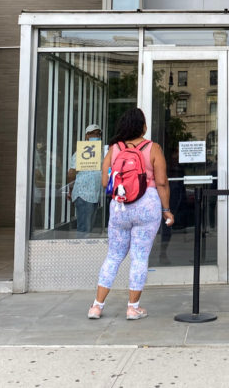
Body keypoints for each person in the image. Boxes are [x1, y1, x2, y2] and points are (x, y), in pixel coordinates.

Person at [87, 108, 174, 320]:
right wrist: (166, 210)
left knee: (114, 256)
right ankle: (133, 308)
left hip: (120, 207)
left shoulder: (114, 149)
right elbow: (161, 182)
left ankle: (96, 306)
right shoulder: (153, 148)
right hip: (147, 206)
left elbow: (105, 182)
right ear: (143, 126)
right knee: (139, 257)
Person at [67, 123, 103, 237]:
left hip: (94, 195)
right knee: (84, 228)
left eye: (98, 134)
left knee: (89, 228)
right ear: (87, 136)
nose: (96, 136)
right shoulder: (81, 152)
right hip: (83, 194)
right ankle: (80, 251)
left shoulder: (100, 153)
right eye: (93, 133)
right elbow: (71, 173)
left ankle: (85, 250)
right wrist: (70, 189)